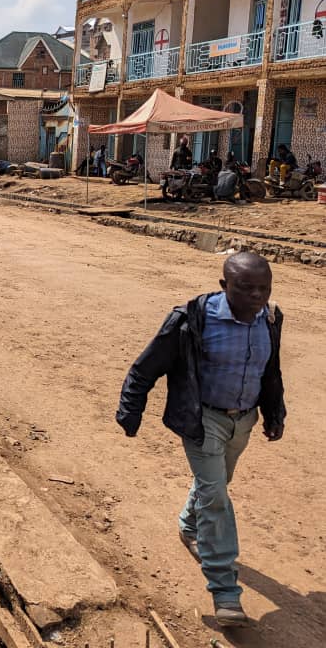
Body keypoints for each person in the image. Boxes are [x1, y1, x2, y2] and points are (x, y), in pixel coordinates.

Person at [116, 252, 285, 628]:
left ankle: (188, 527)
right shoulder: (191, 320)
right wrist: (130, 410)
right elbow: (145, 368)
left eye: (264, 288)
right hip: (202, 418)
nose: (256, 296)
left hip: (242, 420)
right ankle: (226, 593)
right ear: (224, 286)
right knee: (215, 497)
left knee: (218, 483)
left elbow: (269, 371)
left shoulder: (271, 319)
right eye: (245, 288)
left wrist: (275, 413)